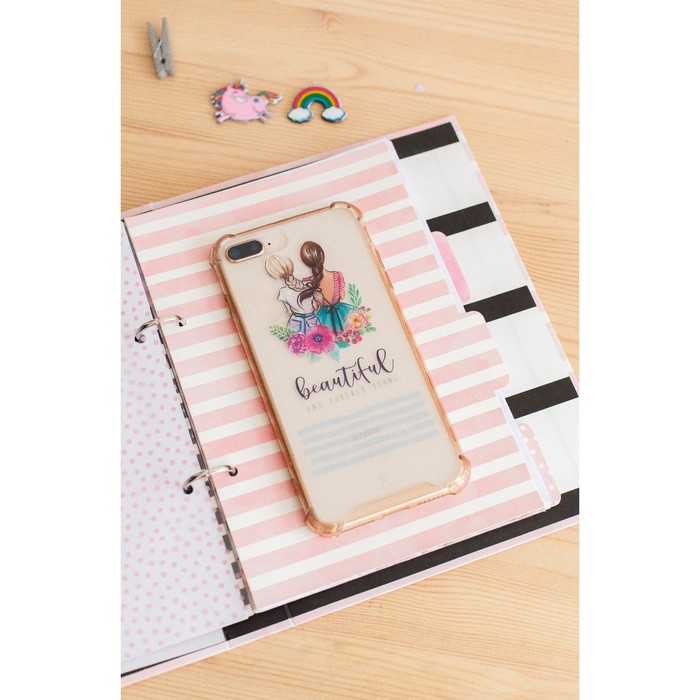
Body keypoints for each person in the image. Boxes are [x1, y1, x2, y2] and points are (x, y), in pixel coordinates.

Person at [299, 241, 352, 333]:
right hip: (342, 312)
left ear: (306, 262)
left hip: (323, 317)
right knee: (348, 333)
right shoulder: (337, 275)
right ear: (322, 255)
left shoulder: (306, 282)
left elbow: (313, 306)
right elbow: (343, 296)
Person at [264, 255, 322, 334]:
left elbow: (289, 312)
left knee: (295, 340)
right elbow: (315, 306)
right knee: (316, 339)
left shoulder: (283, 291)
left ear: (276, 275)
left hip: (296, 321)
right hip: (311, 319)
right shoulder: (308, 284)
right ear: (291, 267)